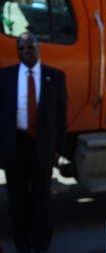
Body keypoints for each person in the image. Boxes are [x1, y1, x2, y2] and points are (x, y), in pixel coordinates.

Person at [0, 32, 67, 253]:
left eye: (30, 47)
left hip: (42, 147)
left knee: (42, 200)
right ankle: (22, 245)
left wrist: (59, 149)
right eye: (22, 48)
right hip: (15, 146)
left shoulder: (54, 77)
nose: (26, 51)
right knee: (17, 200)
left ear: (38, 48)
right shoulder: (5, 77)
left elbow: (60, 117)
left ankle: (40, 245)